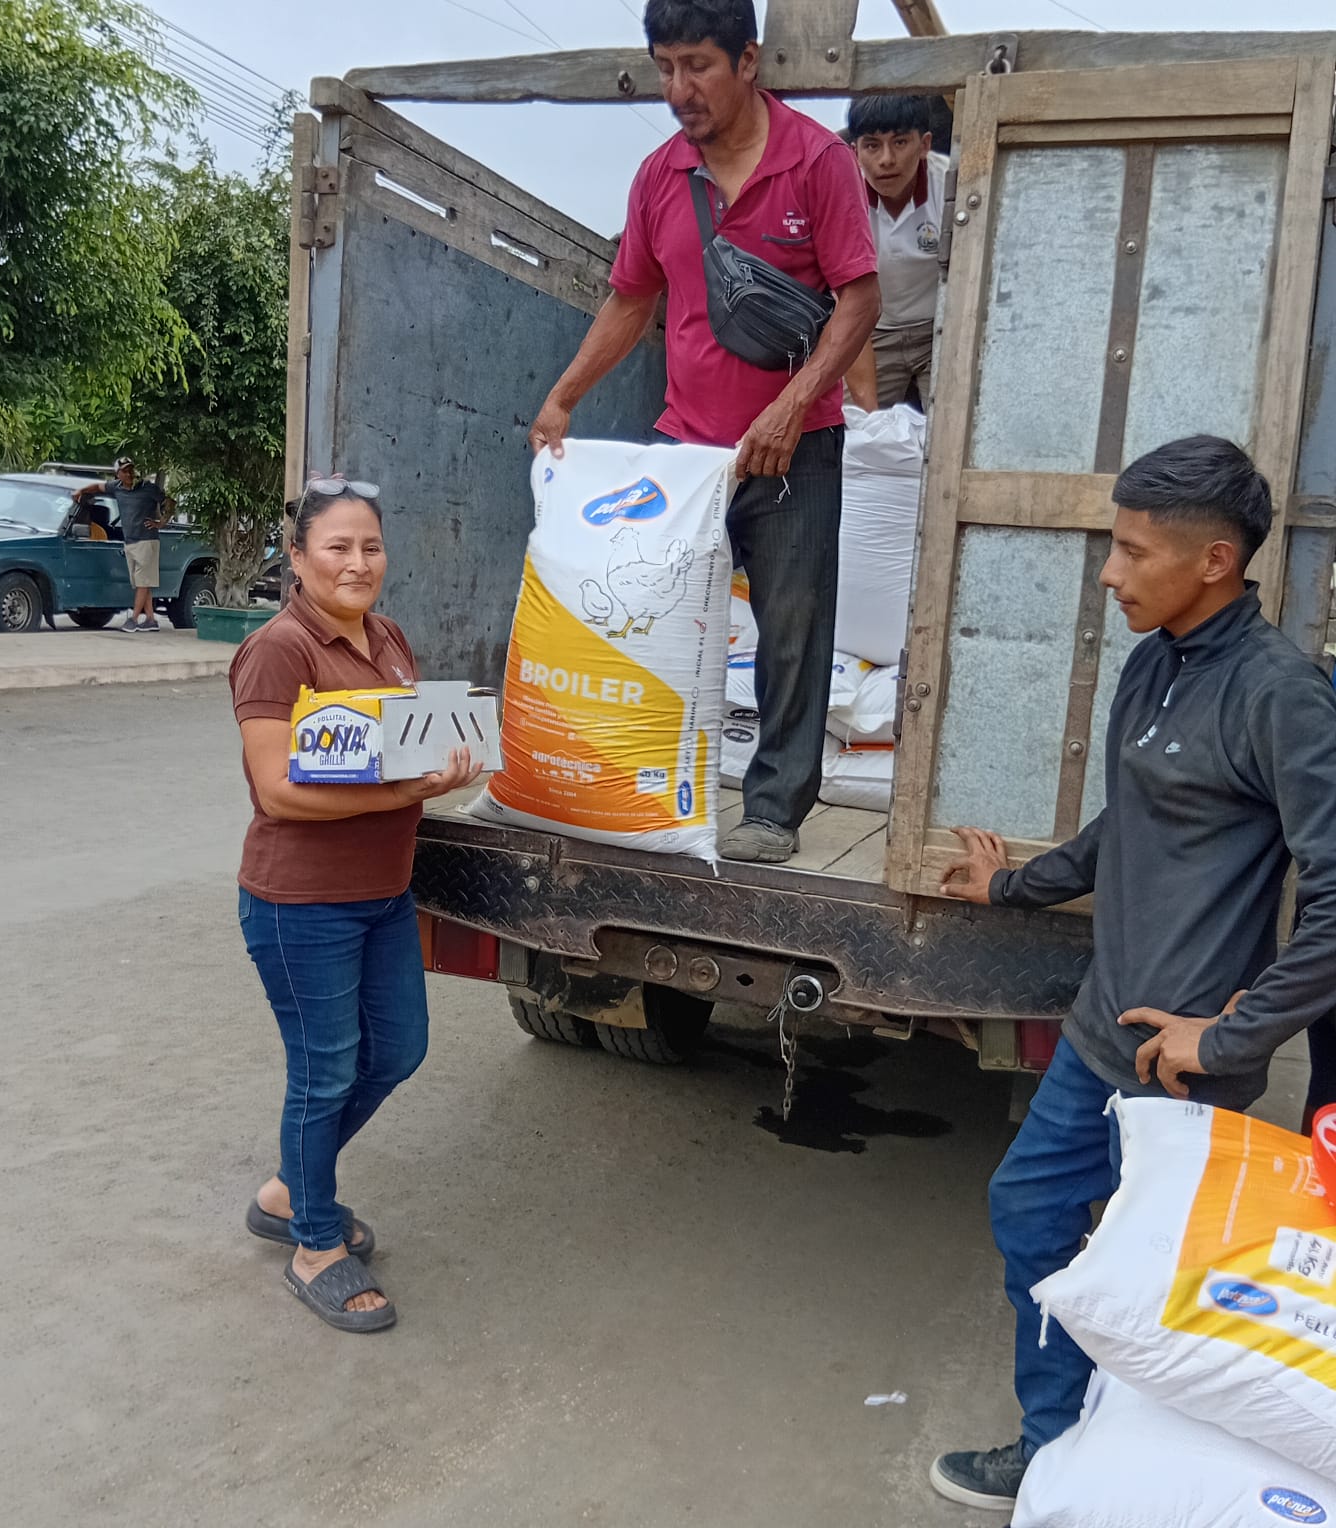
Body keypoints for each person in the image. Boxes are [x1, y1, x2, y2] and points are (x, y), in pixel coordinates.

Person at [930, 436, 1336, 1511]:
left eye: (1131, 551)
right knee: (1034, 1214)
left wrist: (1233, 1035)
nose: (1110, 573)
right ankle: (1060, 1450)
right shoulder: (1159, 659)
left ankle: (1113, 1483)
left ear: (1214, 561)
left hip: (1176, 1064)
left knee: (1152, 1285)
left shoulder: (1280, 695)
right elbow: (1131, 821)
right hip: (1099, 1027)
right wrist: (1014, 886)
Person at [528, 0, 880, 864]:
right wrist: (564, 396)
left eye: (698, 65)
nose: (679, 88)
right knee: (652, 612)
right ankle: (641, 780)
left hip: (799, 448)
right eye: (666, 68)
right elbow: (631, 298)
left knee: (792, 627)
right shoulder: (659, 175)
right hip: (686, 449)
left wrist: (791, 406)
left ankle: (772, 811)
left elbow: (861, 299)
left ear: (747, 61)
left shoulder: (817, 161)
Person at [228, 477, 481, 1332]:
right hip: (301, 903)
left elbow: (397, 749)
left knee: (399, 1050)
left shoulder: (389, 637)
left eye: (370, 547)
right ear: (297, 558)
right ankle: (313, 1246)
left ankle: (287, 1190)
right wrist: (405, 793)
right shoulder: (277, 650)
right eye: (337, 547)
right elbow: (278, 790)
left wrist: (443, 767)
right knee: (325, 1071)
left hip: (382, 893)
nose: (357, 563)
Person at [842, 95, 946, 413]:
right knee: (851, 428)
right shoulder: (840, 195)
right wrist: (868, 415)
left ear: (924, 144)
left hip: (941, 329)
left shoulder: (953, 185)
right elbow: (842, 301)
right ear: (855, 152)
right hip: (871, 333)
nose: (886, 159)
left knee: (953, 428)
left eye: (900, 142)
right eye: (872, 146)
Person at [73, 456, 172, 631]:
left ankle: (133, 619)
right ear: (117, 474)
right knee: (142, 583)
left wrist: (161, 522)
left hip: (146, 540)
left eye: (131, 470)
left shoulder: (147, 488)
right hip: (130, 541)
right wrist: (81, 490)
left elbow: (169, 502)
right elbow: (98, 487)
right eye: (125, 471)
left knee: (142, 582)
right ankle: (150, 619)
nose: (129, 474)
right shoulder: (116, 487)